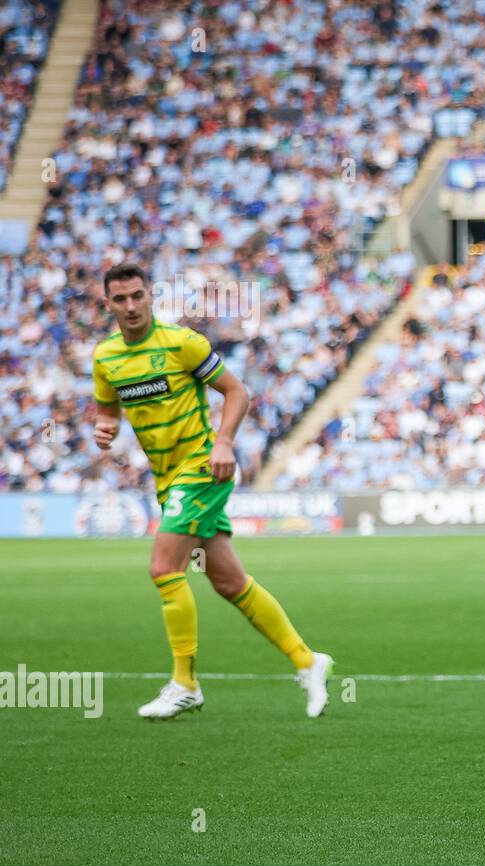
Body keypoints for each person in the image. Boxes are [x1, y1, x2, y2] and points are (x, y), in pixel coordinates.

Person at [92, 262, 333, 719]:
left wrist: (223, 442)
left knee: (164, 567)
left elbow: (237, 392)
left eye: (137, 296)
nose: (130, 306)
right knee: (228, 581)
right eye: (120, 299)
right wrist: (104, 429)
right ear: (109, 304)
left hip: (204, 468)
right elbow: (107, 412)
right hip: (167, 479)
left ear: (150, 296)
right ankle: (308, 659)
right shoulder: (105, 357)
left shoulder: (182, 343)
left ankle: (185, 683)